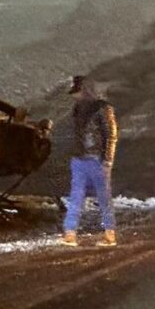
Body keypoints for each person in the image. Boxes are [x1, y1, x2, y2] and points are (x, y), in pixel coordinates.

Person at [61, 76, 118, 247]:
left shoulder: (102, 108)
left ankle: (109, 233)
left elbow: (111, 135)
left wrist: (107, 160)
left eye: (76, 92)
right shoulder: (79, 108)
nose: (75, 96)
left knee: (102, 196)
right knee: (77, 195)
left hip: (96, 160)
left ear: (84, 90)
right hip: (80, 158)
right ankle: (70, 233)